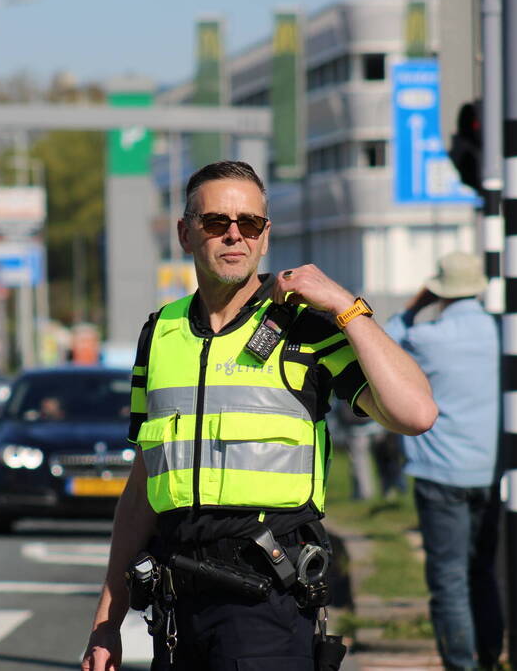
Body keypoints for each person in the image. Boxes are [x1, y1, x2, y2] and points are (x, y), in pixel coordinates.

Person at [82, 161, 437, 671]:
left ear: (265, 237)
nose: (234, 235)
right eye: (215, 223)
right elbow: (142, 490)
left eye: (248, 223)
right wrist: (107, 623)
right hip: (176, 608)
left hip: (267, 602)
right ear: (186, 233)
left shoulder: (305, 328)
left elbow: (416, 412)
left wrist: (344, 305)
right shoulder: (159, 335)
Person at [382, 251, 503, 671]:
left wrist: (416, 304)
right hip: (490, 472)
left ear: (440, 288)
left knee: (449, 580)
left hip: (440, 474)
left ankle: (460, 664)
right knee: (482, 572)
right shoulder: (499, 332)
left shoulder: (427, 337)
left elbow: (382, 342)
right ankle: (489, 657)